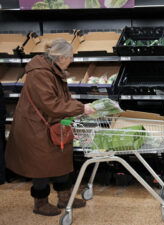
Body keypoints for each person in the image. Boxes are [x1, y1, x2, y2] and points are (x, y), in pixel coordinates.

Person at [5, 38, 96, 216]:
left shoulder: (52, 70)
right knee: (41, 167)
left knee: (61, 161)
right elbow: (50, 104)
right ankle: (40, 203)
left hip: (52, 124)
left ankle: (64, 197)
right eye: (70, 57)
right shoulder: (40, 73)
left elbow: (61, 99)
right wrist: (81, 108)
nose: (72, 60)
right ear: (61, 58)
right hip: (36, 127)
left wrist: (80, 107)